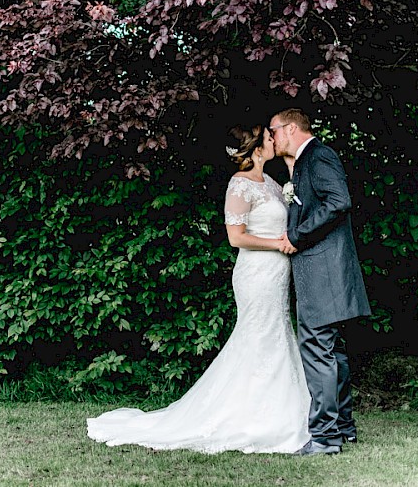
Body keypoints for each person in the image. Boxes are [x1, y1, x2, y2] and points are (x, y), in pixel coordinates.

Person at [87, 125, 310, 453]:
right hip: (256, 272)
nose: (273, 140)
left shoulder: (273, 183)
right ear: (255, 149)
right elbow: (236, 238)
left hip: (278, 273)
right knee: (260, 334)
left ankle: (278, 410)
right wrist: (278, 244)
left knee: (276, 332)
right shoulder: (239, 185)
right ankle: (254, 417)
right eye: (267, 137)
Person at [269, 108, 371, 456]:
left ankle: (325, 438)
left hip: (322, 269)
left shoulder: (319, 155)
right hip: (326, 271)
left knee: (317, 350)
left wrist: (296, 235)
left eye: (274, 131)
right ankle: (342, 428)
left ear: (291, 128)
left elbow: (339, 201)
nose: (272, 137)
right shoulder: (304, 161)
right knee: (332, 351)